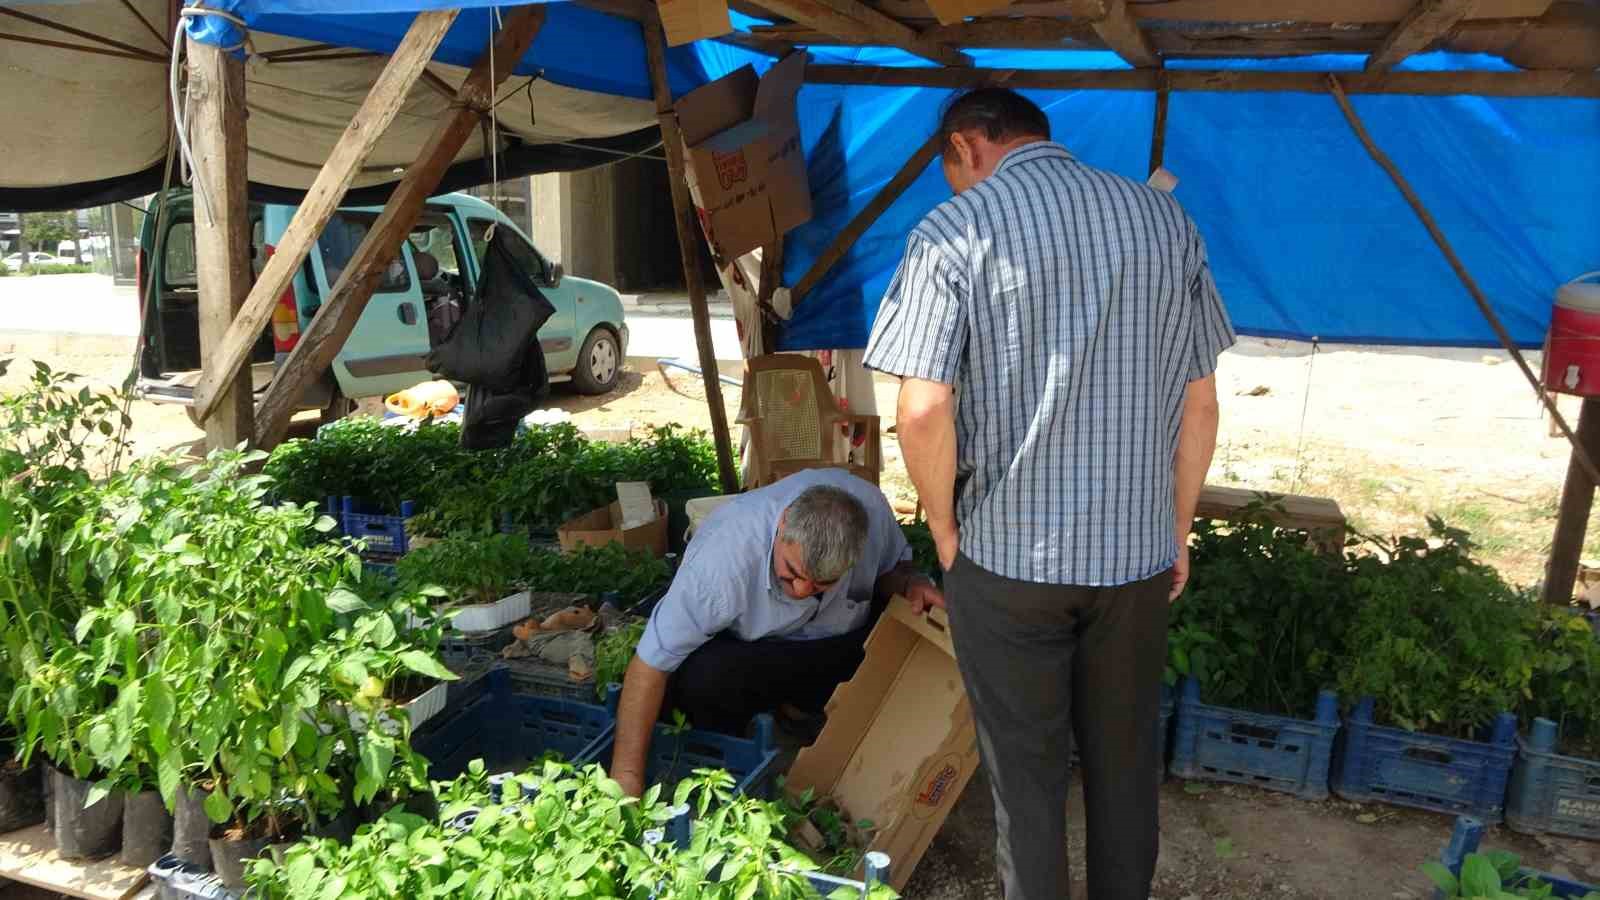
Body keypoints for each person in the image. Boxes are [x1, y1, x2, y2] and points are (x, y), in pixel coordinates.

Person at [862, 88, 1234, 899]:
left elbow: (923, 408)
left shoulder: (954, 231)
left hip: (1008, 560)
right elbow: (1200, 401)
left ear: (965, 146)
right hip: (1134, 562)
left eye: (948, 167)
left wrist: (944, 528)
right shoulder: (1163, 221)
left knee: (1025, 788)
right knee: (1124, 768)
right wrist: (1178, 527)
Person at [610, 468, 944, 798]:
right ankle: (736, 751)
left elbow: (892, 569)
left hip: (833, 644)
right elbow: (650, 664)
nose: (801, 591)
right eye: (791, 574)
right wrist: (626, 778)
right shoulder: (721, 565)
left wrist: (910, 583)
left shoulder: (872, 514)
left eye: (823, 584)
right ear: (783, 524)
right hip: (751, 651)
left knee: (890, 642)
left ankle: (801, 709)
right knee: (700, 679)